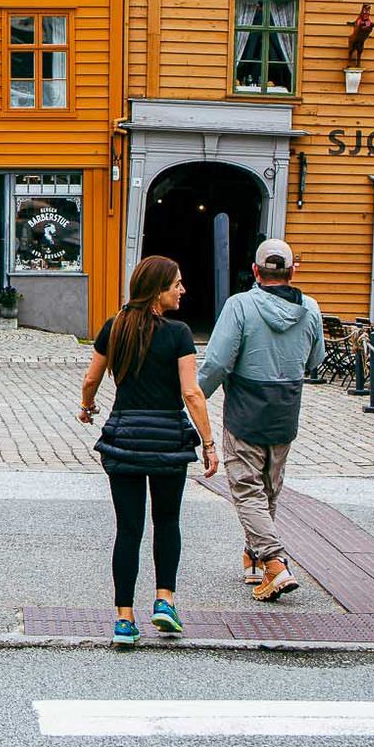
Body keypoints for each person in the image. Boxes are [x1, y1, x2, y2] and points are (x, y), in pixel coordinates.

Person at [81, 255, 218, 646]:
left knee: (128, 529)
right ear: (158, 290)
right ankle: (164, 601)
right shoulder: (178, 334)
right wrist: (208, 443)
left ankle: (124, 619)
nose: (182, 290)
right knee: (167, 522)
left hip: (123, 437)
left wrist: (87, 408)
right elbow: (191, 393)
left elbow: (91, 379)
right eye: (177, 283)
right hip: (167, 441)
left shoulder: (114, 328)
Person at [197, 237, 325, 602]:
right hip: (286, 407)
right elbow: (316, 359)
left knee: (247, 488)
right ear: (292, 271)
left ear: (255, 271)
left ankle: (273, 561)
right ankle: (253, 559)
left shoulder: (240, 306)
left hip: (245, 408)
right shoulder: (310, 308)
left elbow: (218, 362)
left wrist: (195, 399)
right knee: (269, 487)